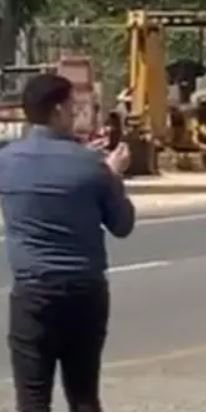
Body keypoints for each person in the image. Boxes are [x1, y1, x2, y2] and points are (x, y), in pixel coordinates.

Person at [0, 73, 135, 411]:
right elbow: (122, 225)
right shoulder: (91, 166)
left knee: (32, 400)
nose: (77, 113)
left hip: (33, 294)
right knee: (84, 396)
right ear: (58, 110)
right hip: (84, 294)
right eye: (73, 107)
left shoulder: (7, 161)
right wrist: (113, 176)